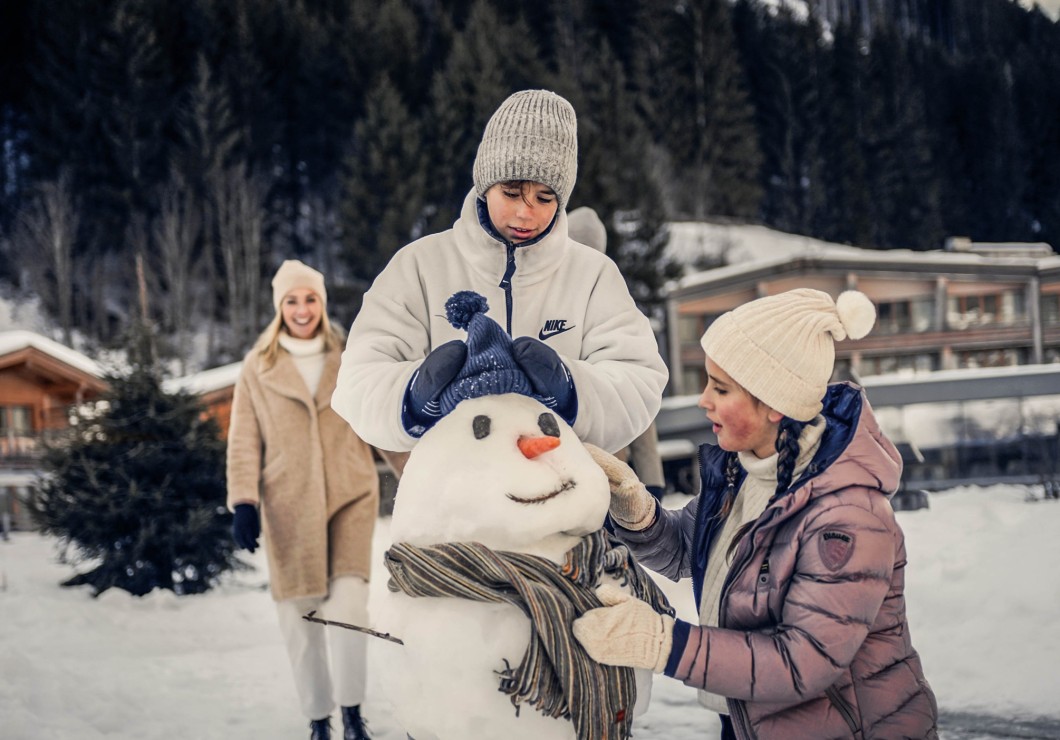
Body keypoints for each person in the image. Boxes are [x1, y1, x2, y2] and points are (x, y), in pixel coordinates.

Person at [572, 289, 938, 739]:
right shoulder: (745, 474)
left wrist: (665, 643)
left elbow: (802, 661)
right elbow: (688, 551)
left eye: (720, 388)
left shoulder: (847, 517)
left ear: (774, 404)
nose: (703, 401)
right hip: (752, 723)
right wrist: (634, 507)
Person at [331, 89, 668, 455]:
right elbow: (355, 383)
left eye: (544, 198)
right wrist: (414, 395)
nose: (526, 213)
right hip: (450, 502)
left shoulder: (594, 275)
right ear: (485, 185)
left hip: (563, 497)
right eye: (511, 193)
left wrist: (571, 389)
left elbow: (641, 381)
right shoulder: (418, 266)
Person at [226, 260, 379, 740]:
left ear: (322, 302)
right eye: (292, 300)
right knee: (301, 615)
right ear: (279, 307)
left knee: (350, 607)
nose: (301, 309)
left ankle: (353, 714)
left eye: (310, 298)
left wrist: (418, 473)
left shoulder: (349, 355)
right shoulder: (259, 366)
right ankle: (318, 719)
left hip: (351, 493)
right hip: (287, 502)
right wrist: (244, 502)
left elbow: (380, 419)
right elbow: (243, 438)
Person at [567, 205, 667, 500]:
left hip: (604, 468)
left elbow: (633, 394)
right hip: (574, 463)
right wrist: (653, 478)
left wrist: (652, 479)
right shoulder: (544, 294)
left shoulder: (609, 302)